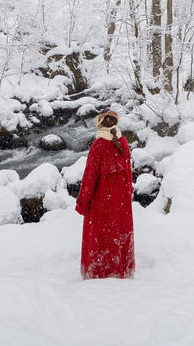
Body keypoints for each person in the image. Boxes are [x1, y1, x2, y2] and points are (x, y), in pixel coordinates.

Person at [75, 109, 135, 279]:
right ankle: (121, 268)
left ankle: (101, 270)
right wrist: (128, 193)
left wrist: (82, 204)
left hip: (102, 201)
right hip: (121, 200)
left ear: (99, 125)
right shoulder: (123, 142)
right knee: (119, 232)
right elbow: (129, 173)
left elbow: (89, 177)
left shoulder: (98, 146)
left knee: (101, 234)